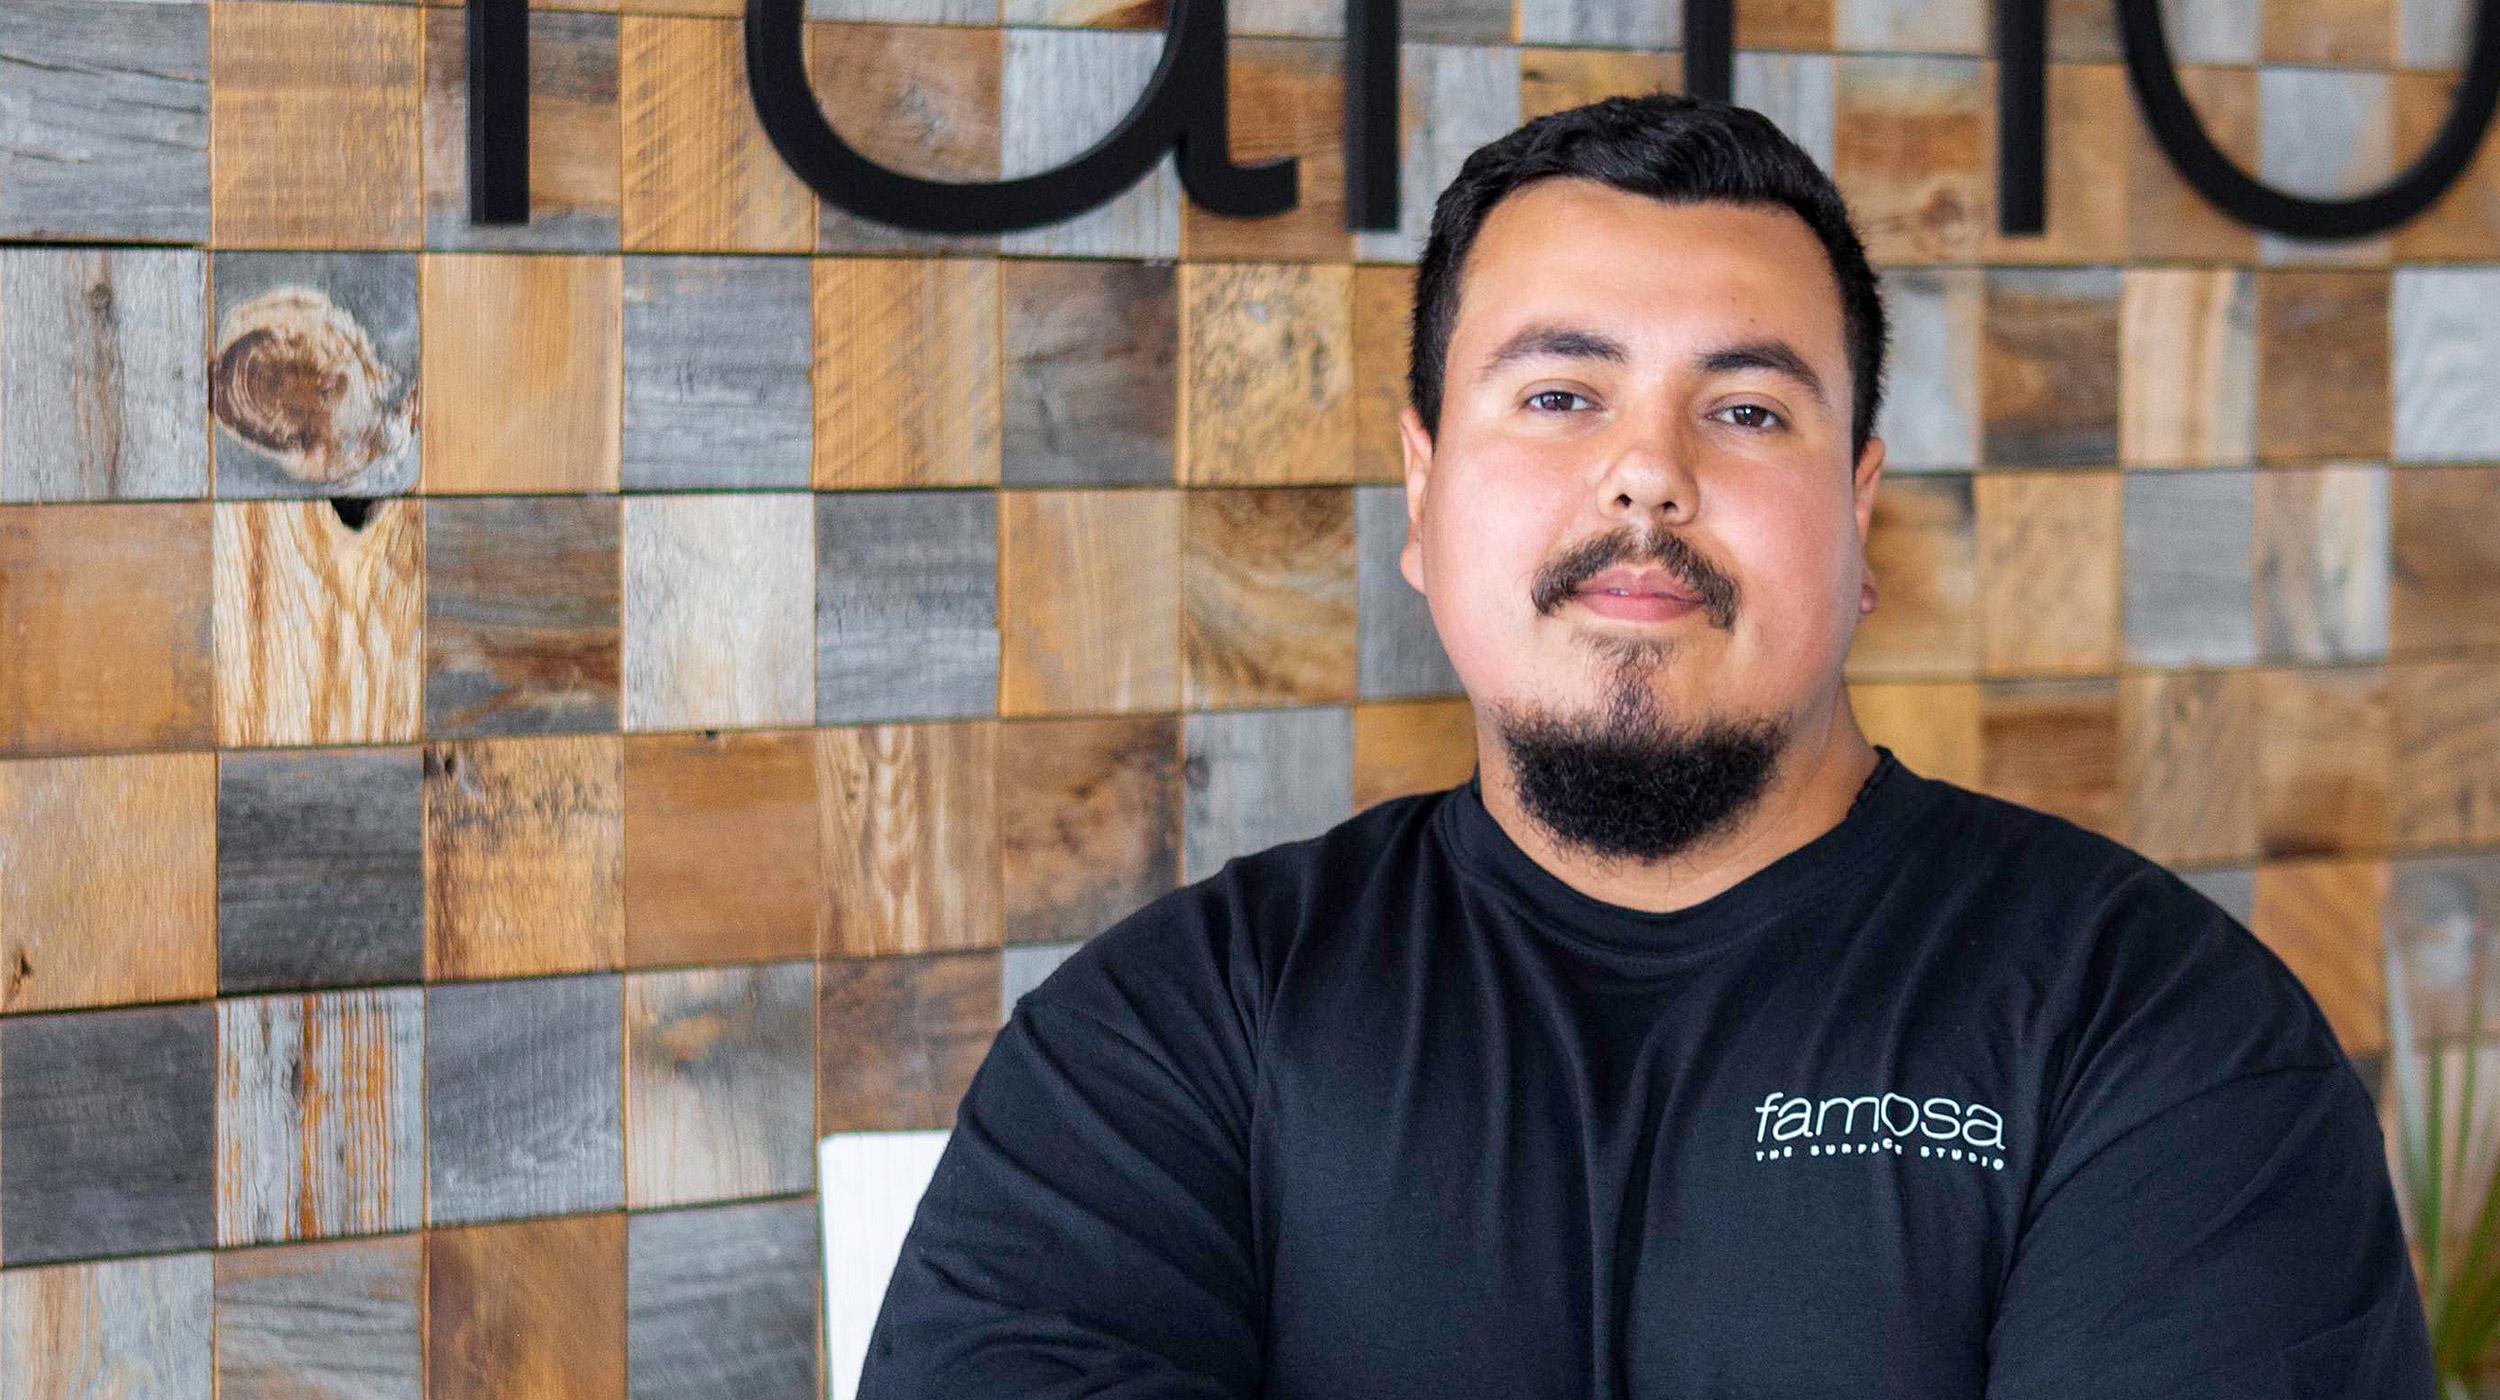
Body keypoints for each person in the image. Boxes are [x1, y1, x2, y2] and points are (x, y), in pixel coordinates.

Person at [854, 93, 2436, 1398]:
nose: (1644, 479)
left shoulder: (2156, 1037)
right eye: (1558, 394)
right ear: (1422, 496)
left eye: (1746, 413)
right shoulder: (1170, 1044)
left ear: (1860, 513)